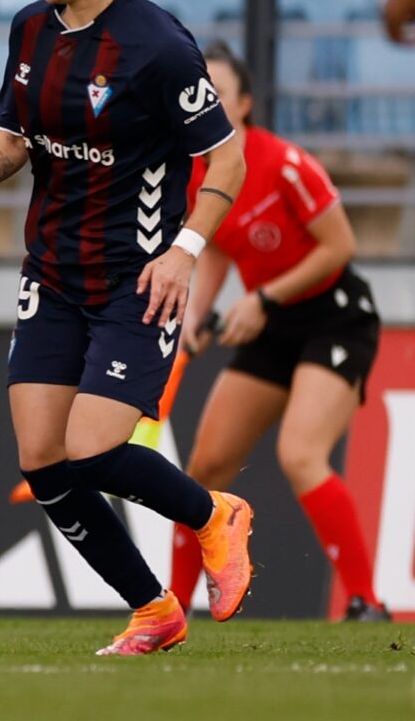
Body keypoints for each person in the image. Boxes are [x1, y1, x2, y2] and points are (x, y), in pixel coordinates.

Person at [0, 0, 271, 655]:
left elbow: (228, 161)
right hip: (51, 273)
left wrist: (186, 250)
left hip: (137, 282)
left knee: (93, 448)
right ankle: (153, 609)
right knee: (43, 458)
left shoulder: (158, 47)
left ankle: (214, 514)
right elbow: (15, 139)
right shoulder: (29, 28)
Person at [170, 44, 390, 622]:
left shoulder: (284, 164)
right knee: (206, 465)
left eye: (218, 93)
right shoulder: (197, 174)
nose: (206, 104)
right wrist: (198, 317)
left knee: (300, 453)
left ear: (244, 104)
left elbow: (341, 247)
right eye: (197, 95)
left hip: (334, 315)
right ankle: (171, 605)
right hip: (269, 322)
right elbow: (219, 249)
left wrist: (262, 298)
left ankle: (366, 602)